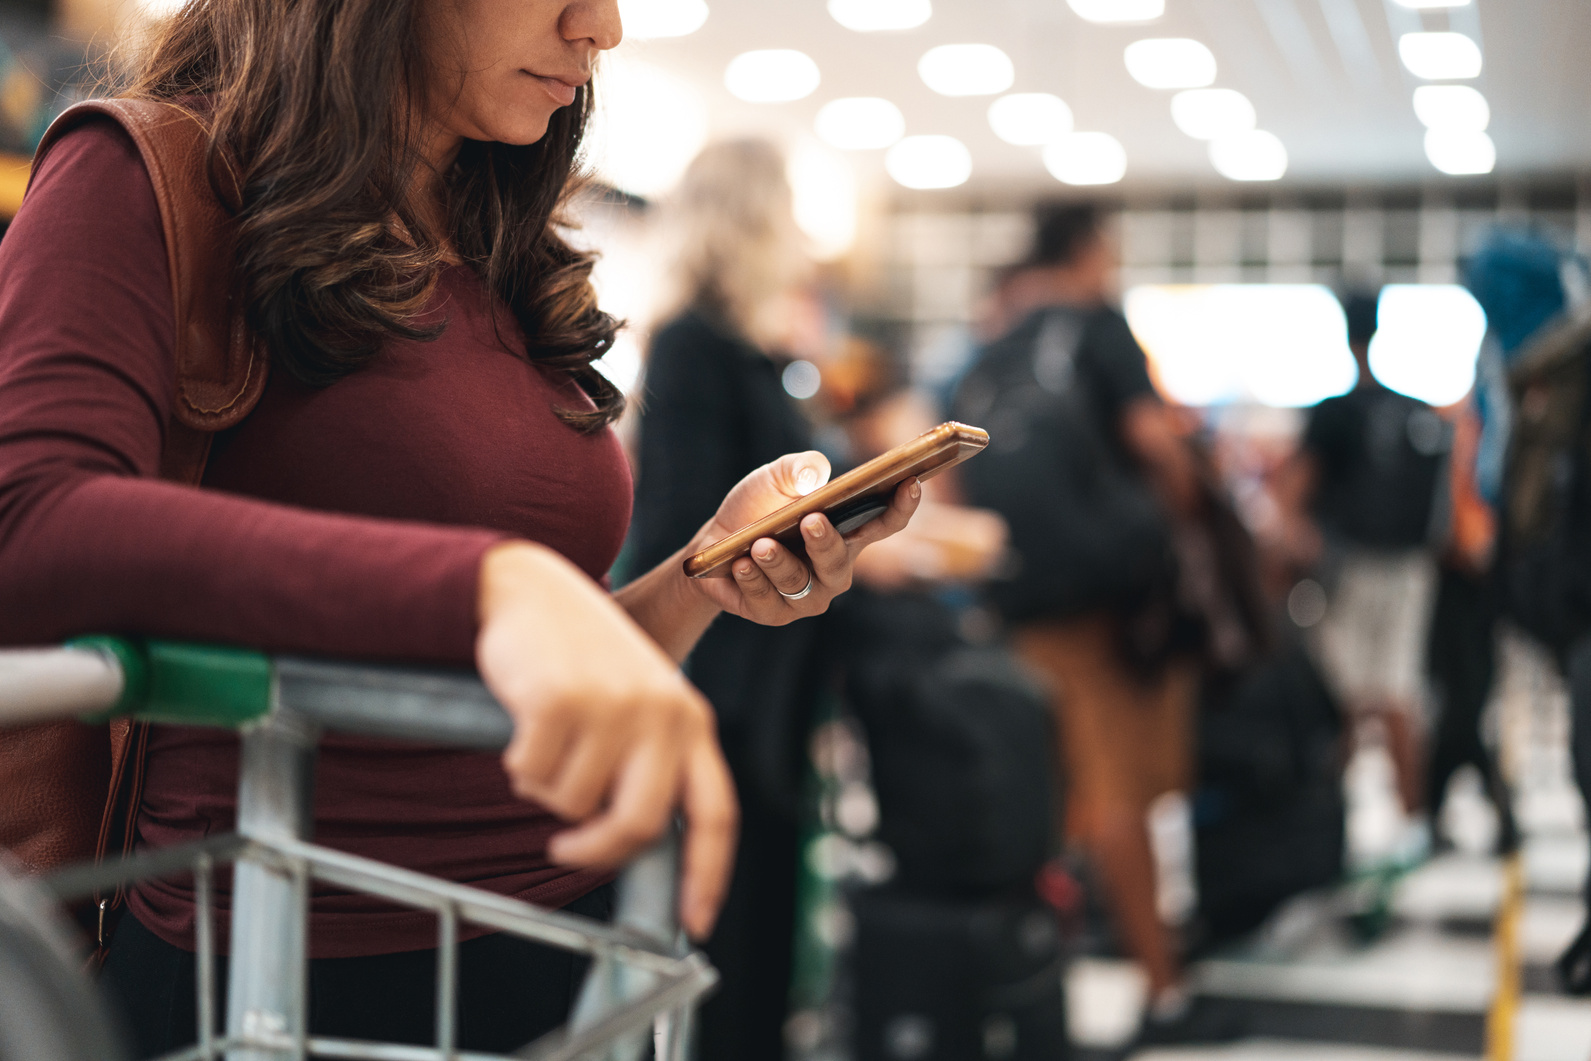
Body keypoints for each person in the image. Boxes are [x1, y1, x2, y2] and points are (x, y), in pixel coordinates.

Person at [0, 3, 919, 1055]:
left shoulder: (491, 238)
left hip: (568, 938)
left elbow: (495, 662)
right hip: (288, 960)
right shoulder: (147, 173)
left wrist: (697, 575)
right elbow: (30, 519)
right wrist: (486, 585)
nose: (602, 27)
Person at [953, 204, 1214, 1043]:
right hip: (1110, 602)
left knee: (1061, 790)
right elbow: (1157, 445)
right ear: (1089, 250)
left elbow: (958, 486)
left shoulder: (992, 350)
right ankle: (1162, 988)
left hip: (1023, 599)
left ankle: (1047, 966)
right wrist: (1174, 536)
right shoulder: (1098, 329)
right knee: (1118, 795)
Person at [629, 138, 842, 1061]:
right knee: (726, 933)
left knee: (759, 926)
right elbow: (687, 527)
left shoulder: (747, 352)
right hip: (721, 675)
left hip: (768, 671)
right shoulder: (692, 348)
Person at [1273, 291, 1450, 841]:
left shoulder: (1335, 413)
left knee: (1340, 696)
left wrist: (1296, 547)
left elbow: (1292, 494)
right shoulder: (1415, 410)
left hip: (1348, 569)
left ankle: (1328, 820)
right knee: (1399, 693)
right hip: (1411, 569)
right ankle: (1412, 823)